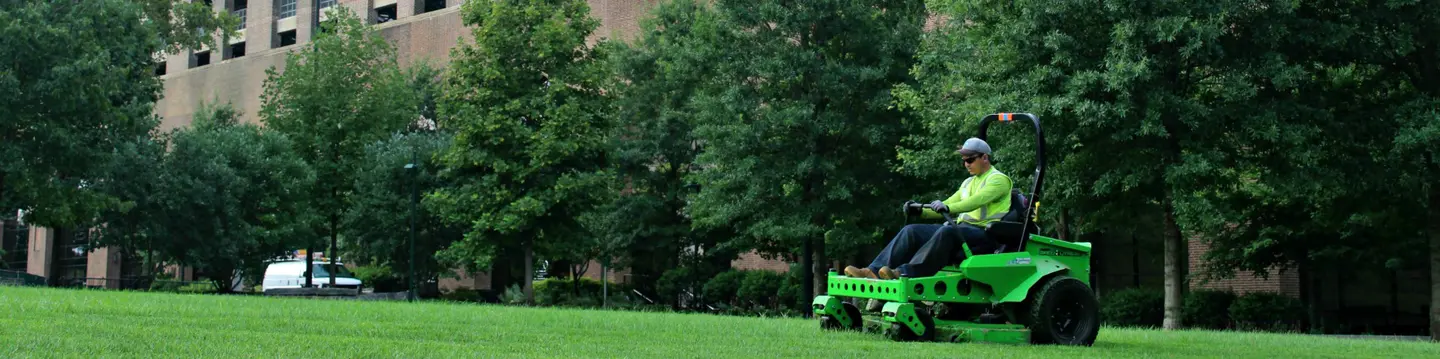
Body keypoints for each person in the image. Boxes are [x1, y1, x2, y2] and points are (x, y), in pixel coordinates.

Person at [845, 137, 1012, 280]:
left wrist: (947, 207)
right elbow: (948, 203)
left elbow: (974, 202)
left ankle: (904, 273)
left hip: (984, 235)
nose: (966, 164)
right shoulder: (968, 182)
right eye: (964, 161)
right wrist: (921, 211)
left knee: (947, 231)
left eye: (970, 160)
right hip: (961, 230)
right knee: (911, 230)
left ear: (984, 157)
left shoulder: (998, 180)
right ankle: (872, 271)